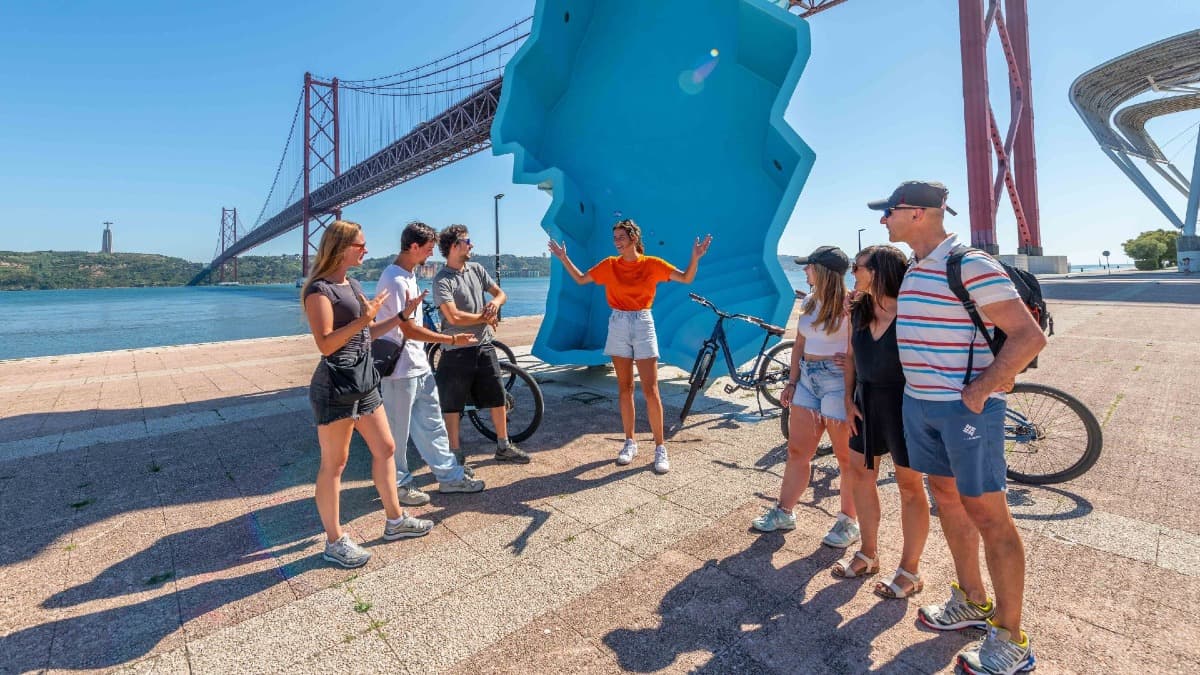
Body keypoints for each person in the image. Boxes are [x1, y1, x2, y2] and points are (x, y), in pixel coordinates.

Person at [870, 180, 1046, 674]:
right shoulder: (915, 271)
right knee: (945, 500)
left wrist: (980, 389)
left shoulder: (969, 264)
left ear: (920, 214)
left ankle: (1011, 638)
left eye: (890, 211)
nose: (884, 219)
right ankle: (972, 599)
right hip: (919, 406)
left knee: (990, 516)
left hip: (963, 412)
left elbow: (1028, 337)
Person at [301, 220, 433, 569]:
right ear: (342, 247)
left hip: (364, 382)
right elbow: (327, 343)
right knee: (335, 464)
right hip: (336, 385)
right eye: (360, 244)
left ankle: (395, 520)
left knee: (386, 448)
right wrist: (365, 319)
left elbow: (366, 333)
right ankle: (334, 541)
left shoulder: (352, 283)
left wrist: (400, 316)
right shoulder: (319, 290)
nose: (366, 249)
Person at [548, 219, 712, 473]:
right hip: (618, 323)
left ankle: (660, 447)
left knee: (651, 389)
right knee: (624, 388)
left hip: (643, 322)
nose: (616, 241)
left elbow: (686, 278)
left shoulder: (652, 264)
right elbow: (581, 280)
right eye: (614, 237)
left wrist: (695, 257)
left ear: (633, 238)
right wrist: (562, 258)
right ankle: (630, 442)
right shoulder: (610, 265)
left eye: (621, 237)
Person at [830, 245, 930, 600]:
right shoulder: (859, 308)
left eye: (858, 267)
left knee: (909, 486)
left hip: (906, 403)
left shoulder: (913, 311)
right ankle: (868, 554)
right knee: (860, 474)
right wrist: (847, 398)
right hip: (866, 402)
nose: (853, 273)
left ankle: (910, 570)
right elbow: (852, 357)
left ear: (880, 271)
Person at [751, 245, 861, 549]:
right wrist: (792, 381)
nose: (804, 271)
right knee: (798, 451)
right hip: (807, 379)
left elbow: (858, 345)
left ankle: (848, 521)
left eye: (809, 266)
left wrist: (850, 365)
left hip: (837, 381)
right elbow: (799, 343)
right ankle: (784, 512)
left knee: (845, 458)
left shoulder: (851, 304)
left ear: (822, 270)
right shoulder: (811, 301)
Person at [377, 222, 486, 505]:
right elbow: (408, 329)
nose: (429, 255)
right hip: (399, 370)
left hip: (418, 365)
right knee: (397, 434)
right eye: (426, 249)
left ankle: (450, 477)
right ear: (413, 247)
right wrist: (449, 340)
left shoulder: (408, 275)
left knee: (433, 424)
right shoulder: (395, 280)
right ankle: (399, 485)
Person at [433, 224, 531, 465]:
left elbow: (500, 293)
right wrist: (484, 318)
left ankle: (503, 446)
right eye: (467, 241)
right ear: (454, 246)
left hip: (484, 346)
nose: (472, 245)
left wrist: (495, 304)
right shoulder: (442, 280)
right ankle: (455, 453)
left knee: (498, 397)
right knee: (452, 404)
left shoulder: (476, 269)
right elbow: (453, 317)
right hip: (456, 350)